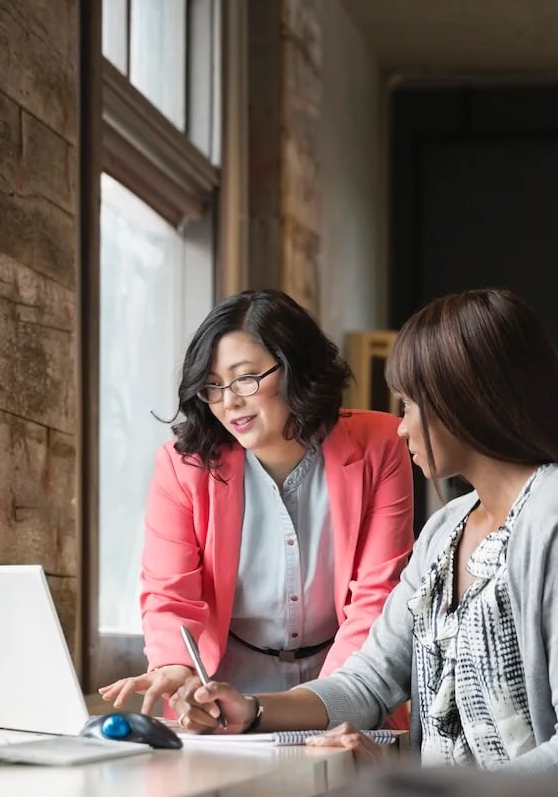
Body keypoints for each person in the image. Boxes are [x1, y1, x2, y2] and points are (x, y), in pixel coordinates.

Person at [171, 289, 558, 785]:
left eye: (411, 405)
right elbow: (368, 681)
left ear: (466, 401)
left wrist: (427, 796)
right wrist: (254, 710)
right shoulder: (446, 530)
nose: (400, 428)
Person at [98, 290, 414, 727]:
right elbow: (169, 594)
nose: (229, 401)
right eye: (213, 385)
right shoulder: (183, 465)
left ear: (296, 368)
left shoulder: (380, 444)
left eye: (245, 379)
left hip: (344, 680)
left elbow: (378, 597)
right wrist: (175, 664)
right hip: (225, 694)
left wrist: (325, 702)